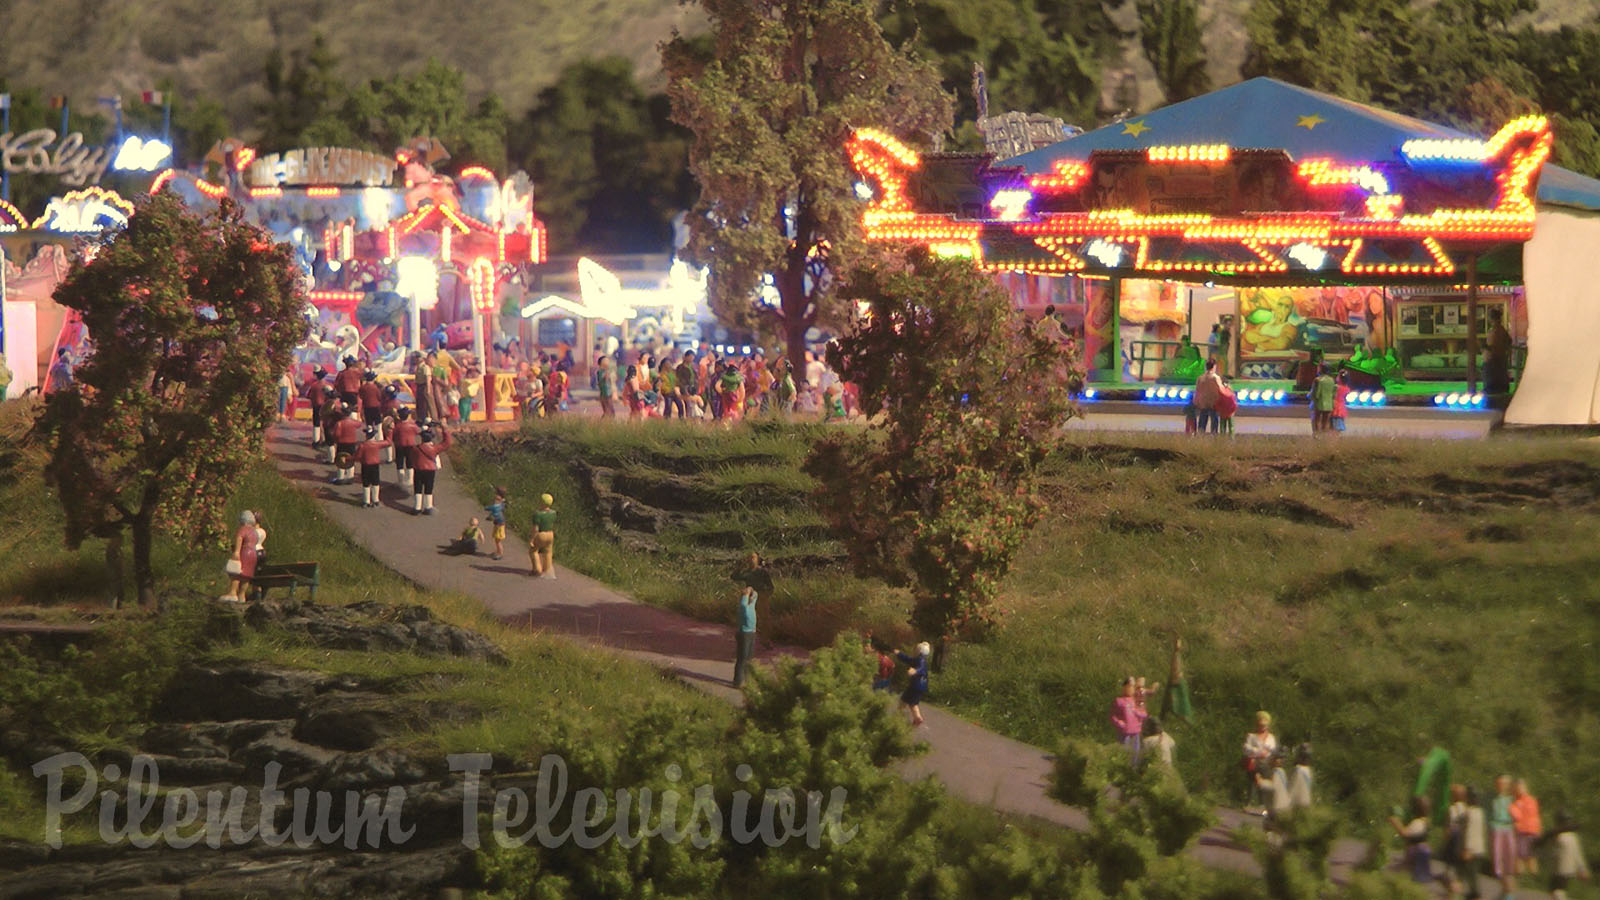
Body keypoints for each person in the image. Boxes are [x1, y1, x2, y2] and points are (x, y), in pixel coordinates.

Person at [1446, 784, 1486, 899]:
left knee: (1460, 876)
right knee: (1472, 877)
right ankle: (1467, 895)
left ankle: (1454, 896)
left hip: (1469, 851)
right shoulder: (1480, 812)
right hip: (1479, 850)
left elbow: (1470, 832)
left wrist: (1467, 849)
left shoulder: (1470, 813)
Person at [1390, 795, 1434, 884]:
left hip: (1417, 851)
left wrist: (1395, 822)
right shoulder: (1426, 821)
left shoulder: (1418, 822)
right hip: (1422, 850)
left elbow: (1405, 833)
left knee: (1401, 871)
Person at [410, 422, 451, 515]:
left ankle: (417, 507)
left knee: (418, 488)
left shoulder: (416, 448)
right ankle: (428, 506)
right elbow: (447, 443)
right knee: (428, 488)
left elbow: (412, 457)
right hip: (430, 470)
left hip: (418, 469)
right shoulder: (434, 449)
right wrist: (445, 430)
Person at [1548, 811, 1590, 900]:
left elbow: (1553, 853)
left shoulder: (1557, 836)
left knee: (1556, 892)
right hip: (1569, 870)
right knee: (1559, 891)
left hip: (1558, 870)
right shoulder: (1573, 837)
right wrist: (1582, 868)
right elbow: (1578, 854)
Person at [1243, 711, 1278, 811]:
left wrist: (1267, 754)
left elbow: (1273, 750)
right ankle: (1248, 803)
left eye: (1265, 725)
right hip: (1253, 762)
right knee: (1251, 783)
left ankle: (1262, 804)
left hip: (1265, 763)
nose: (1262, 727)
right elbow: (1246, 749)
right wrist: (1258, 752)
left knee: (1264, 783)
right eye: (1260, 725)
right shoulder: (1251, 736)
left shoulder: (1271, 737)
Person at [1489, 775, 1518, 896]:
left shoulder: (1512, 799)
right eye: (1499, 783)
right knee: (1497, 853)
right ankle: (1501, 879)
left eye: (1504, 784)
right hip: (1496, 826)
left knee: (1510, 854)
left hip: (1509, 827)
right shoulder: (1492, 799)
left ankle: (1509, 886)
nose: (1502, 786)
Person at [222, 511, 259, 602]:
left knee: (236, 572)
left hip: (245, 552)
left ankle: (233, 593)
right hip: (253, 554)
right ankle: (242, 595)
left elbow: (239, 538)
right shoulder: (254, 532)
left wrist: (237, 551)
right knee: (247, 575)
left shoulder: (242, 529)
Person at [355, 425, 392, 508]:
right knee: (375, 483)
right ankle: (376, 500)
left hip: (365, 466)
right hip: (375, 466)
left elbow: (357, 457)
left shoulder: (362, 445)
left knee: (366, 483)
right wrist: (389, 432)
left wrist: (348, 459)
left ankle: (366, 501)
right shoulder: (377, 444)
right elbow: (388, 442)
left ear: (366, 435)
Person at [1511, 777, 1542, 876]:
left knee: (1530, 856)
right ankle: (1521, 876)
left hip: (1530, 831)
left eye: (1521, 787)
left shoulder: (1530, 801)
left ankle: (1533, 876)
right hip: (1523, 831)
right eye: (1518, 787)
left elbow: (1534, 815)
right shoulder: (1515, 802)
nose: (1520, 789)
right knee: (1521, 855)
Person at [897, 641, 932, 726]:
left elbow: (920, 667)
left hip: (915, 685)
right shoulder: (920, 660)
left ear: (920, 651)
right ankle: (917, 717)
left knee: (903, 701)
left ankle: (897, 719)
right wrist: (899, 654)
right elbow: (908, 659)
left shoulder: (920, 660)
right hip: (921, 686)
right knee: (913, 703)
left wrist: (915, 671)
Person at [1160, 635, 1193, 722]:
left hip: (1178, 679)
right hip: (1176, 680)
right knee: (1172, 699)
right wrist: (1176, 677)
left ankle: (1179, 716)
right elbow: (1175, 669)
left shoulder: (1177, 655)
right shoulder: (1176, 656)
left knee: (1180, 699)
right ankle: (1171, 716)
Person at [732, 580, 758, 688]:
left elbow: (756, 595)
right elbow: (744, 604)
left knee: (749, 658)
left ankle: (747, 680)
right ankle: (738, 681)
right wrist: (746, 593)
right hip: (744, 634)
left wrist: (751, 590)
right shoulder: (743, 608)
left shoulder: (752, 604)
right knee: (742, 658)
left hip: (751, 633)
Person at [330, 407, 362, 485]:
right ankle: (350, 476)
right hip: (351, 443)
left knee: (340, 459)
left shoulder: (339, 423)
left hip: (342, 443)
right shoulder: (353, 423)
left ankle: (340, 477)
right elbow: (360, 424)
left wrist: (335, 439)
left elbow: (336, 435)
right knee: (351, 459)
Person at [1484, 308, 1512, 394]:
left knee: (1493, 380)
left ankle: (1494, 391)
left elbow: (1494, 346)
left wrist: (1485, 347)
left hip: (1493, 359)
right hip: (1498, 358)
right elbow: (1509, 341)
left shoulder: (1496, 330)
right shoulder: (1500, 329)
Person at [1193, 358, 1224, 434]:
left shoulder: (1200, 378)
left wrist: (1196, 401)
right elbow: (1221, 389)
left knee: (1202, 419)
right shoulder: (1215, 378)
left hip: (1203, 402)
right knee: (1214, 420)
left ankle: (1201, 434)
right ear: (1214, 366)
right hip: (1213, 402)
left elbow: (1197, 390)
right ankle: (1214, 434)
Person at [529, 493, 556, 578]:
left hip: (541, 534)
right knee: (548, 551)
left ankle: (537, 569)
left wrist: (532, 539)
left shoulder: (538, 514)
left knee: (533, 550)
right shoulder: (553, 513)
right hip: (550, 534)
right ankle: (547, 568)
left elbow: (535, 528)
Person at [302, 367, 329, 445]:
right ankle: (325, 440)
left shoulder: (314, 385)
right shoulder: (328, 385)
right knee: (325, 423)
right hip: (325, 407)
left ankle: (316, 440)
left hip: (316, 406)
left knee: (316, 423)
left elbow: (308, 395)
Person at [484, 486, 508, 560]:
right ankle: (497, 551)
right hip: (498, 522)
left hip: (499, 524)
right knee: (496, 539)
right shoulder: (502, 502)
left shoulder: (497, 502)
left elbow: (493, 507)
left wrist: (487, 508)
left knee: (498, 540)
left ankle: (500, 553)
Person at [1288, 744, 1314, 811]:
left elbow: (1292, 789)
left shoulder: (1297, 770)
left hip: (1297, 803)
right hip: (1306, 802)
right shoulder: (1309, 770)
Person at [1311, 365, 1336, 434]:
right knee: (1325, 421)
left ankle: (1316, 434)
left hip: (1319, 403)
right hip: (1329, 404)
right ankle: (1324, 434)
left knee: (1316, 420)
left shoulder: (1317, 380)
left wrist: (1310, 396)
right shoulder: (1332, 380)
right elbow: (1333, 392)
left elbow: (1316, 394)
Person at [676, 351, 700, 419]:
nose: (692, 359)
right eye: (690, 357)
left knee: (693, 404)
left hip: (692, 388)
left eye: (693, 357)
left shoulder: (693, 367)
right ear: (686, 357)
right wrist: (683, 387)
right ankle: (686, 417)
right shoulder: (680, 367)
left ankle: (691, 417)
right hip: (685, 388)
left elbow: (695, 377)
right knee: (686, 404)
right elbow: (679, 379)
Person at [1331, 369, 1351, 434]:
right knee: (1339, 421)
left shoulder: (1336, 387)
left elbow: (1333, 395)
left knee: (1334, 423)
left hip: (1335, 405)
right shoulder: (1347, 388)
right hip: (1342, 406)